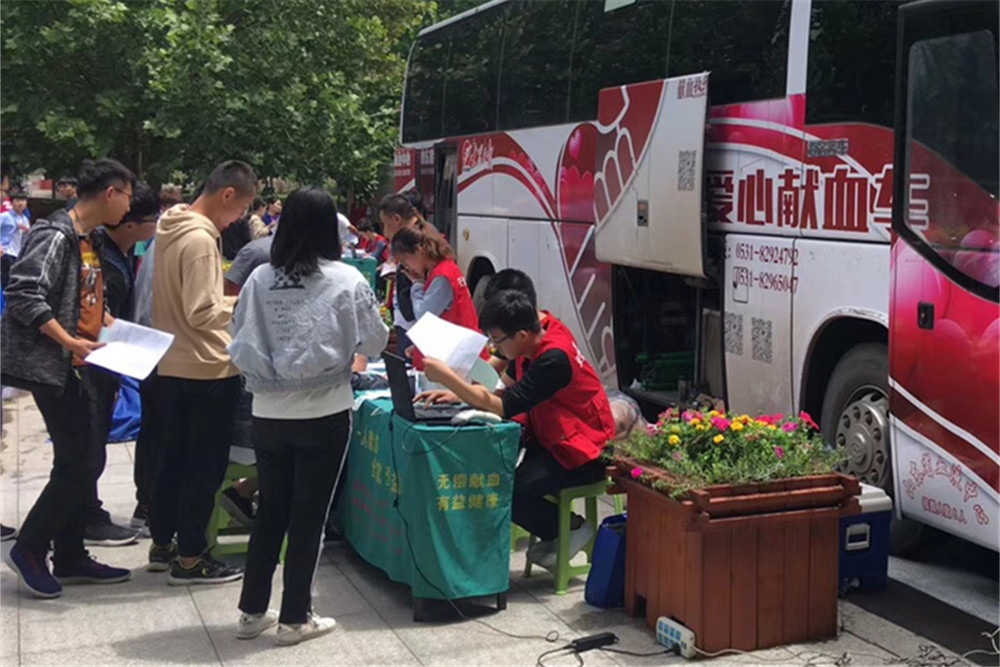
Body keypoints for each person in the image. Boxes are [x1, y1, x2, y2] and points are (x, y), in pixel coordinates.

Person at [229, 186, 388, 645]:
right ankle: (295, 617)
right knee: (308, 516)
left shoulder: (260, 278)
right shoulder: (347, 280)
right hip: (324, 412)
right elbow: (374, 342)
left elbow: (239, 332)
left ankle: (251, 612)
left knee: (271, 512)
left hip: (267, 414)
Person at [0, 158, 135, 598]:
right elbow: (23, 292)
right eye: (127, 196)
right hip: (55, 366)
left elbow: (83, 295)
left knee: (81, 460)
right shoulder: (55, 234)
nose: (129, 207)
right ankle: (29, 548)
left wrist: (107, 321)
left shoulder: (89, 239)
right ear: (110, 193)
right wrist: (68, 340)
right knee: (81, 463)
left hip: (83, 363)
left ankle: (71, 554)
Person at [417, 290, 616, 568]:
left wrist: (449, 379)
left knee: (507, 490)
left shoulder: (553, 360)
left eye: (497, 340)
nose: (495, 348)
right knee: (497, 473)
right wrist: (457, 395)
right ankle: (556, 532)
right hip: (556, 437)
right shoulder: (533, 340)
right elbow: (504, 388)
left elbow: (503, 405)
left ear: (521, 335)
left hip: (586, 452)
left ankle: (573, 527)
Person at [149, 160, 257, 585]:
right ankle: (192, 559)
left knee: (172, 460)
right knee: (203, 468)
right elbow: (201, 311)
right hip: (207, 368)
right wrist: (245, 303)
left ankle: (163, 543)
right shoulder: (199, 238)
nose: (238, 220)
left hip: (172, 362)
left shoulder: (170, 227)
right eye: (241, 209)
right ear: (227, 195)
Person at [77, 182, 159, 546]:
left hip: (110, 360)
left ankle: (86, 513)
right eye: (153, 219)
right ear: (131, 224)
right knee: (88, 443)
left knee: (94, 439)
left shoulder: (122, 252)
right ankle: (84, 517)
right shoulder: (101, 256)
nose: (157, 226)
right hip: (93, 360)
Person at [390, 222, 479, 332]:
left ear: (418, 250)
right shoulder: (445, 267)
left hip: (461, 340)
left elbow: (423, 316)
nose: (406, 267)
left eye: (404, 260)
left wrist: (417, 283)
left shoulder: (442, 277)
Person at [0, 188, 30, 288]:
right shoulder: (4, 216)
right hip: (6, 252)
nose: (20, 203)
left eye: (23, 200)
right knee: (7, 282)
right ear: (12, 203)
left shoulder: (25, 220)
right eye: (17, 200)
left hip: (19, 254)